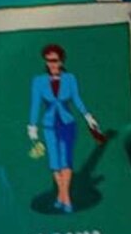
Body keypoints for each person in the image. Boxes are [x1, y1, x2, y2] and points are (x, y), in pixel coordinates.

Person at [29, 44, 105, 214]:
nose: (52, 64)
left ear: (61, 61)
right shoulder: (39, 81)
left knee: (66, 161)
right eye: (48, 61)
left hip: (67, 124)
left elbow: (77, 99)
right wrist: (32, 125)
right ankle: (64, 197)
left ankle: (63, 198)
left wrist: (88, 116)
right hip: (49, 125)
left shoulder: (70, 79)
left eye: (55, 61)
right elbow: (35, 104)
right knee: (55, 162)